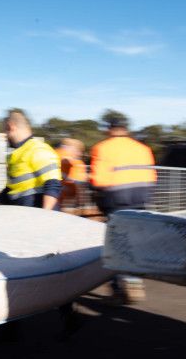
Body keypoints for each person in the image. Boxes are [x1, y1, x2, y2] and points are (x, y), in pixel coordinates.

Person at [88, 113, 157, 303]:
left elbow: (99, 180)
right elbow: (152, 177)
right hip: (142, 198)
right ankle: (135, 279)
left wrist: (95, 193)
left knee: (117, 243)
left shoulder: (102, 148)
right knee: (135, 240)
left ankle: (121, 286)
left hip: (116, 200)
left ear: (109, 128)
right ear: (126, 128)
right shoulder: (143, 148)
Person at [0, 110, 62, 210]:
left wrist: (45, 217)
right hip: (22, 216)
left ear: (11, 127)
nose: (5, 137)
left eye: (5, 132)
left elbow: (53, 185)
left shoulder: (38, 149)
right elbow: (13, 189)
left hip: (36, 218)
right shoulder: (15, 154)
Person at [55, 138, 88, 211]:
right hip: (53, 199)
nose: (80, 154)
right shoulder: (70, 161)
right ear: (72, 148)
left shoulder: (55, 154)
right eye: (79, 151)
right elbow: (79, 181)